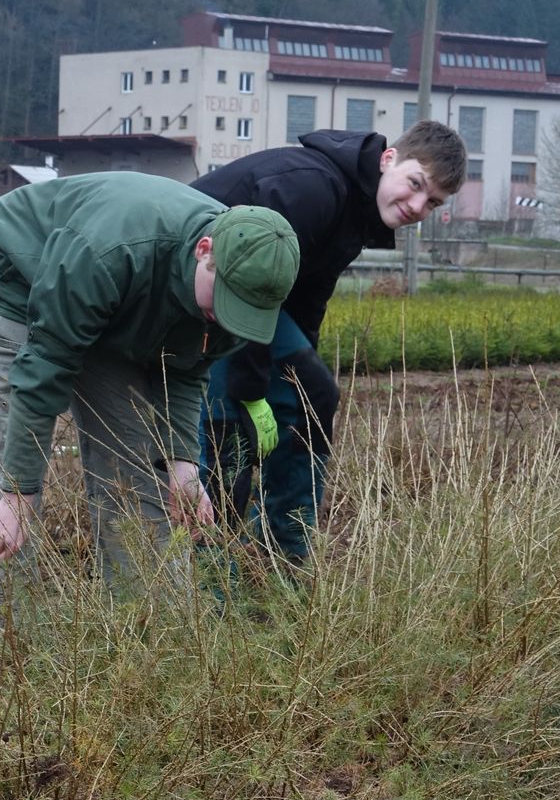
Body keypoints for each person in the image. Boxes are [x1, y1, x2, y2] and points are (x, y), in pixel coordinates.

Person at [0, 171, 300, 615]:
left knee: (141, 473)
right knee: (7, 487)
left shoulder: (241, 300)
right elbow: (45, 367)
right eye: (223, 302)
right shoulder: (108, 251)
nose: (224, 320)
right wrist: (20, 493)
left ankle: (153, 644)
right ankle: (13, 664)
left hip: (115, 303)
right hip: (14, 278)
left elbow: (186, 368)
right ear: (205, 251)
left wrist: (183, 464)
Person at [193, 120, 467, 563]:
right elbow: (244, 282)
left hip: (249, 301)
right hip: (206, 285)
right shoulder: (313, 189)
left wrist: (296, 382)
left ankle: (283, 554)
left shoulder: (356, 212)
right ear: (388, 159)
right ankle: (210, 569)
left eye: (432, 202)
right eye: (416, 184)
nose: (418, 205)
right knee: (230, 421)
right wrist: (252, 394)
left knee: (313, 396)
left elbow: (304, 303)